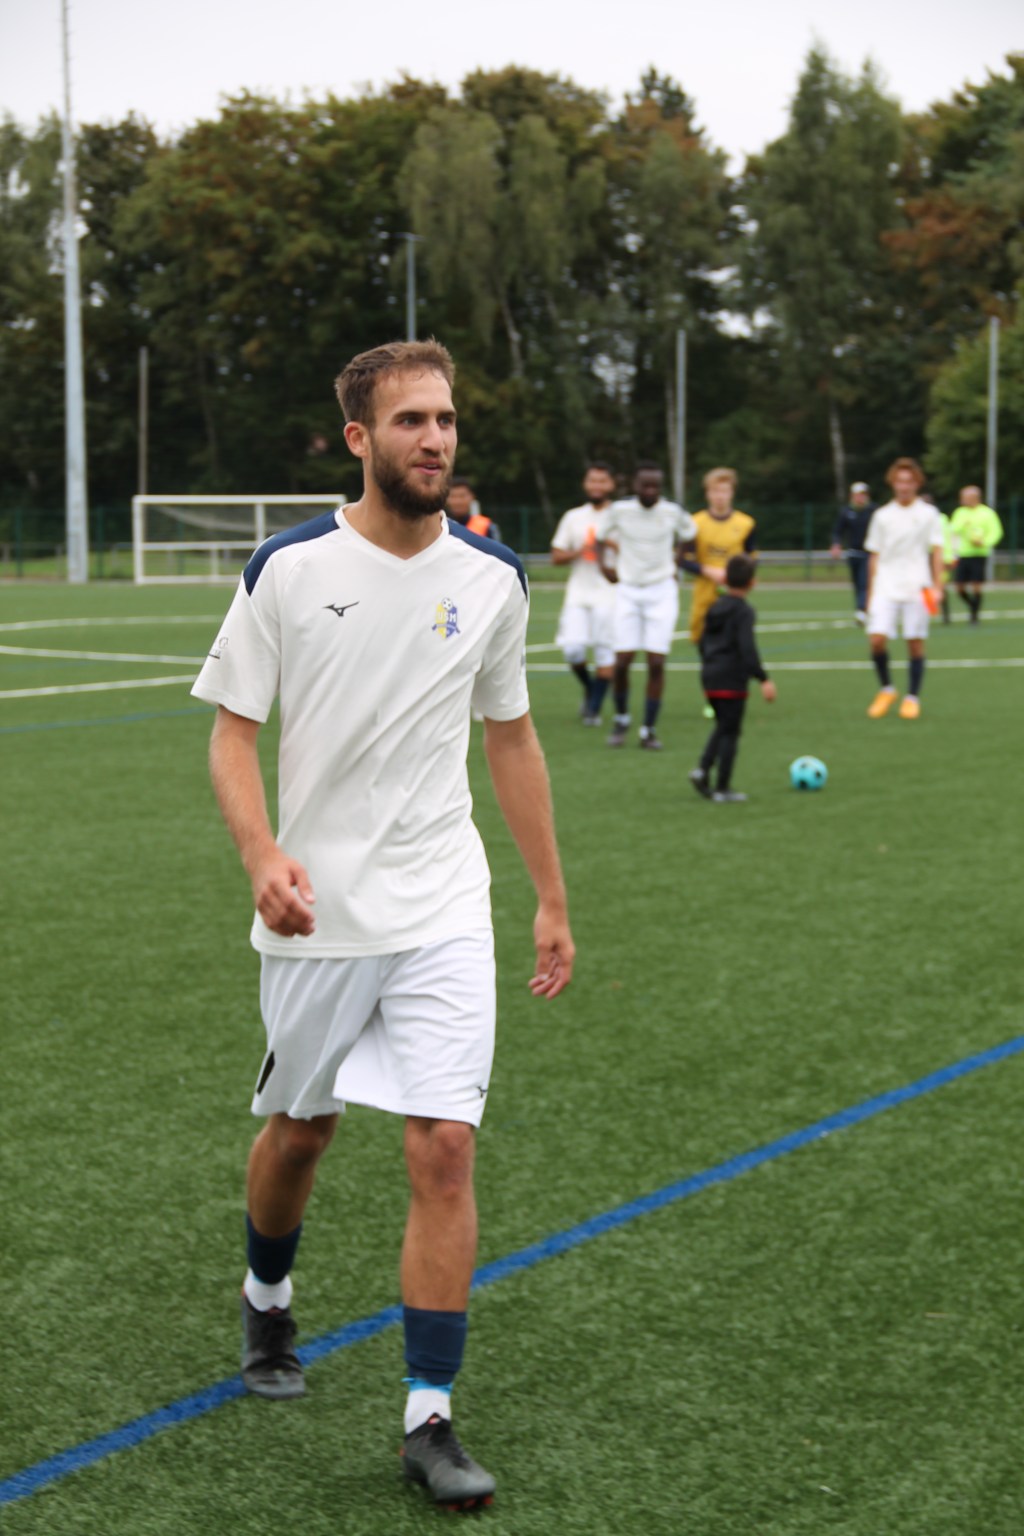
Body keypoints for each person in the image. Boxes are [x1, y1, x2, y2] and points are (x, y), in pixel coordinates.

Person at [191, 339, 574, 1512]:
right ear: (359, 439)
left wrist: (549, 894)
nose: (436, 439)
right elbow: (232, 733)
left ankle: (429, 1416)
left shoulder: (495, 578)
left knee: (443, 1145)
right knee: (302, 1131)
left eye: (446, 419)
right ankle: (265, 1301)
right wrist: (262, 855)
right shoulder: (289, 568)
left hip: (442, 900)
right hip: (319, 915)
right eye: (410, 421)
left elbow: (508, 733)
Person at [596, 463, 696, 750]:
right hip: (628, 591)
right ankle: (622, 719)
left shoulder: (672, 512)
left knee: (656, 662)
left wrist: (678, 563)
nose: (650, 491)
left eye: (655, 486)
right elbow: (601, 537)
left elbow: (691, 535)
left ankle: (648, 729)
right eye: (645, 485)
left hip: (662, 592)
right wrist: (605, 567)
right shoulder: (620, 510)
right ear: (635, 486)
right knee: (623, 661)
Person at [689, 554, 775, 804]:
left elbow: (703, 642)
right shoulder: (744, 611)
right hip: (731, 678)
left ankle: (702, 770)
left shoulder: (714, 607)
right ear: (753, 583)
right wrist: (763, 678)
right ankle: (722, 787)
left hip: (710, 675)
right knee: (731, 732)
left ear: (725, 579)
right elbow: (747, 648)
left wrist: (710, 664)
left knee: (722, 726)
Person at [864, 457, 944, 721]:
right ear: (893, 483)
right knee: (876, 639)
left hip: (917, 586)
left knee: (915, 644)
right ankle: (887, 689)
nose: (904, 486)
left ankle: (912, 697)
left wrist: (938, 586)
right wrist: (870, 592)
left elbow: (937, 551)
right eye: (899, 481)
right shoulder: (882, 515)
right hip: (886, 584)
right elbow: (874, 554)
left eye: (909, 481)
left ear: (917, 484)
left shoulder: (929, 514)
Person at [550, 462, 617, 724]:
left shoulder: (620, 517)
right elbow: (556, 555)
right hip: (578, 592)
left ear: (611, 485)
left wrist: (608, 544)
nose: (597, 486)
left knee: (604, 652)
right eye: (592, 481)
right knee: (573, 650)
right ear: (585, 484)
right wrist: (581, 550)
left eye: (602, 481)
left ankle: (594, 709)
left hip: (610, 593)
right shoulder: (574, 516)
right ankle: (590, 688)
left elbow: (633, 553)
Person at [679, 467, 757, 647]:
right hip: (704, 593)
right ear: (707, 493)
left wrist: (739, 578)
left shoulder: (746, 524)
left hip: (733, 594)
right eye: (715, 491)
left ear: (732, 493)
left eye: (724, 491)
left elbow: (751, 558)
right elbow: (682, 560)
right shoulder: (695, 523)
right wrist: (708, 571)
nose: (720, 496)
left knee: (734, 644)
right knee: (703, 644)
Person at [950, 485, 1003, 624]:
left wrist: (984, 542)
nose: (962, 500)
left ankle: (974, 616)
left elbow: (996, 532)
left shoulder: (987, 513)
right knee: (959, 587)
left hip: (979, 554)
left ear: (975, 498)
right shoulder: (960, 513)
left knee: (976, 585)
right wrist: (962, 524)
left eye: (965, 497)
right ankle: (973, 605)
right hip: (963, 554)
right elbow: (953, 529)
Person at [829, 481, 876, 623]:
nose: (859, 498)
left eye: (862, 495)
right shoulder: (847, 511)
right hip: (853, 553)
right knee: (857, 583)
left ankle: (863, 610)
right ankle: (860, 608)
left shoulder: (873, 511)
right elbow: (838, 530)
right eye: (857, 495)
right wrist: (836, 544)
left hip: (869, 553)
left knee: (864, 582)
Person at [446, 475, 501, 541]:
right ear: (446, 498)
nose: (458, 501)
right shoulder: (439, 527)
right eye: (453, 496)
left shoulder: (487, 527)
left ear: (472, 496)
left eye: (462, 496)